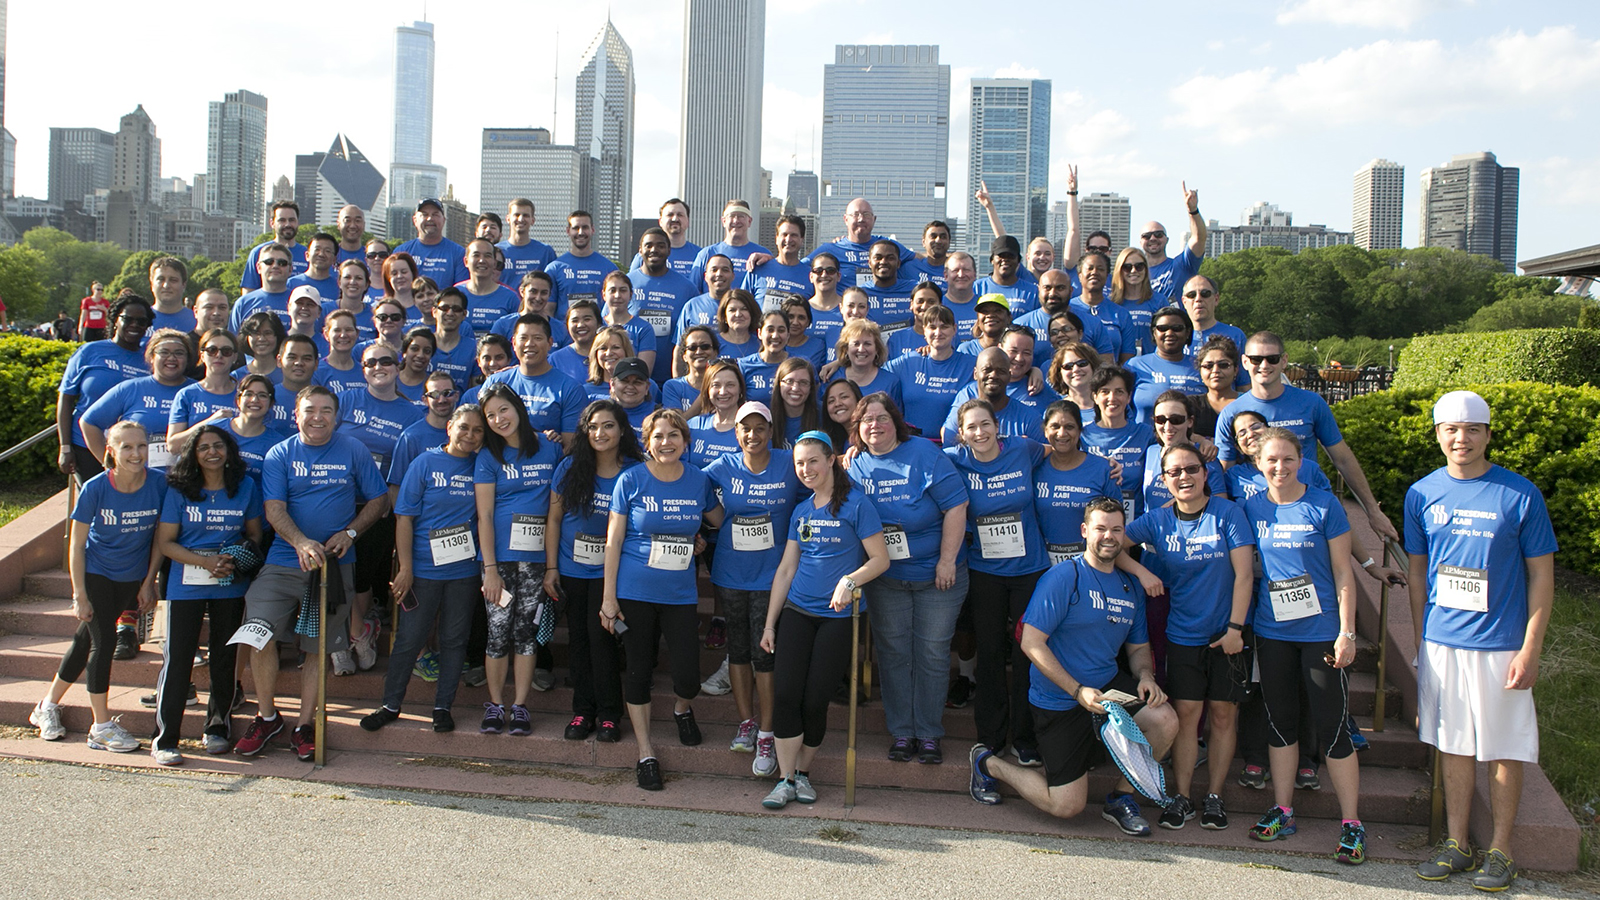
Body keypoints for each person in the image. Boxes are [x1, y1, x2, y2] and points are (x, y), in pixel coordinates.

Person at [1407, 391, 1557, 891]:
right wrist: (1421, 645)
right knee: (1452, 745)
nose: (1461, 438)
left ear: (1488, 434)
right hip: (1443, 643)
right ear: (1437, 435)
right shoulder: (1422, 494)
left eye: (1472, 429)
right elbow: (1418, 574)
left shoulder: (1519, 494)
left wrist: (1531, 647)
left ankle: (1501, 850)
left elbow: (1541, 576)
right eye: (1451, 429)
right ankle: (1457, 844)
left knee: (1503, 749)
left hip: (1501, 645)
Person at [968, 497, 1178, 838]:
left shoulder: (1129, 586)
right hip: (1060, 699)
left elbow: (1138, 648)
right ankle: (987, 763)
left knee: (1164, 719)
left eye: (1116, 530)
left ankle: (1121, 798)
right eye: (1100, 529)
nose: (1108, 536)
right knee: (1066, 806)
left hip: (1106, 692)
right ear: (1084, 531)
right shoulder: (1063, 577)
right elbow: (1031, 643)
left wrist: (1145, 676)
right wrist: (1077, 691)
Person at [235, 387, 390, 760]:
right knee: (257, 634)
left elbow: (379, 499)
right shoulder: (280, 453)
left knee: (317, 646)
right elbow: (274, 509)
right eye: (310, 410)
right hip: (284, 561)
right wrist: (301, 542)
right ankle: (267, 715)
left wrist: (351, 532)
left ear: (336, 416)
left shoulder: (352, 449)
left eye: (326, 410)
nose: (317, 416)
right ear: (295, 414)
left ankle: (305, 724)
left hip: (334, 566)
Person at [1243, 428, 1365, 863]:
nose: (1279, 468)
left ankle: (1351, 823)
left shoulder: (1323, 504)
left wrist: (1346, 631)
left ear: (1301, 462)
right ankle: (1283, 809)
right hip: (1272, 632)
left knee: (1333, 726)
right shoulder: (1252, 507)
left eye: (1287, 460)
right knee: (1280, 723)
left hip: (1321, 634)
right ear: (1258, 464)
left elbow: (1343, 574)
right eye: (1271, 461)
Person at [1122, 442, 1254, 830]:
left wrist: (1234, 630)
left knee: (1223, 715)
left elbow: (1244, 575)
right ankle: (1181, 796)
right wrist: (1143, 572)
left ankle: (1213, 796)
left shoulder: (1228, 514)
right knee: (1186, 715)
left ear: (1205, 473)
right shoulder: (1157, 520)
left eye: (1191, 469)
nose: (1184, 477)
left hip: (1226, 635)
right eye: (1174, 472)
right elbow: (1112, 544)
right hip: (1183, 633)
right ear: (1164, 480)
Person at [758, 430, 889, 808]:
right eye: (799, 463)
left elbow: (880, 559)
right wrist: (770, 623)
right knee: (785, 694)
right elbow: (786, 569)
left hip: (838, 616)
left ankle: (803, 774)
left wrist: (850, 581)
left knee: (815, 699)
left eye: (813, 460)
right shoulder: (802, 511)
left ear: (831, 459)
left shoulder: (857, 505)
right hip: (798, 611)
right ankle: (783, 779)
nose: (806, 469)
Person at [601, 409, 724, 789]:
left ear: (686, 442)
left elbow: (717, 519)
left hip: (680, 593)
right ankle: (645, 751)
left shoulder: (698, 481)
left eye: (674, 435)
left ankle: (682, 709)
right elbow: (614, 541)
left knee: (687, 676)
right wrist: (608, 598)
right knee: (639, 669)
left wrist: (698, 537)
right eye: (658, 436)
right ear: (647, 442)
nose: (666, 442)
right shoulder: (631, 480)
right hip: (634, 589)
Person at [848, 393, 969, 763]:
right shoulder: (855, 465)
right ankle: (902, 732)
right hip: (886, 577)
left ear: (896, 422)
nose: (875, 425)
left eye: (882, 418)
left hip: (938, 575)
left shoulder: (924, 453)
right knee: (894, 654)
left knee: (932, 653)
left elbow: (955, 506)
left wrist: (947, 560)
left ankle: (929, 733)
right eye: (866, 420)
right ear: (857, 428)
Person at [29, 421, 162, 751]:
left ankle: (46, 706)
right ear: (111, 452)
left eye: (141, 446)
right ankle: (101, 727)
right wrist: (80, 594)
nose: (136, 453)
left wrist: (148, 583)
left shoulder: (160, 484)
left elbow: (160, 538)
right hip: (96, 575)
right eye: (127, 447)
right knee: (102, 646)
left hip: (130, 577)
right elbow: (76, 546)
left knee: (83, 641)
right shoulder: (96, 488)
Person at [360, 405, 487, 734]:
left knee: (454, 640)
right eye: (464, 428)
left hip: (464, 571)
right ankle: (390, 704)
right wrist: (405, 568)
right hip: (423, 571)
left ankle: (443, 706)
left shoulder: (483, 465)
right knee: (409, 639)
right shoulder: (425, 463)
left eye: (477, 431)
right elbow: (405, 518)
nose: (470, 436)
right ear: (449, 428)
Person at [1217, 331, 1399, 542]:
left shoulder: (1311, 403)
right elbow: (1226, 475)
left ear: (1284, 361)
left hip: (1309, 515)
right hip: (1259, 522)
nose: (1264, 365)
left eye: (1272, 359)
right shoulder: (1231, 414)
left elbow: (1342, 458)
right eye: (1257, 359)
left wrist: (1372, 510)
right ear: (1245, 362)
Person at [150, 426, 263, 763]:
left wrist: (233, 558)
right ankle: (166, 737)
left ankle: (217, 728)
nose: (212, 452)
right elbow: (166, 542)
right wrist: (205, 561)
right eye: (203, 448)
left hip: (230, 581)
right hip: (186, 582)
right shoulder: (179, 489)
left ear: (229, 450)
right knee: (179, 658)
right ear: (192, 454)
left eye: (218, 446)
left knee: (225, 658)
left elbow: (255, 534)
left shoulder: (245, 487)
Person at [947, 399, 1051, 766]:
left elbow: (1061, 453)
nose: (980, 432)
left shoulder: (1023, 448)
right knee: (990, 656)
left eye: (985, 424)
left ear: (997, 426)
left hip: (1031, 571)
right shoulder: (955, 460)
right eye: (971, 427)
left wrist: (1109, 466)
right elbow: (915, 456)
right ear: (961, 434)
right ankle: (991, 738)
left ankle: (1026, 739)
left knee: (1028, 656)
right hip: (986, 572)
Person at [703, 402, 801, 776]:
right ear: (736, 433)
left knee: (766, 652)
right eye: (746, 429)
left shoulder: (787, 463)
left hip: (772, 576)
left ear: (770, 431)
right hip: (731, 571)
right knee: (739, 651)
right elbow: (690, 484)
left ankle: (768, 730)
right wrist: (710, 520)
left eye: (760, 428)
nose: (752, 435)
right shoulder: (722, 467)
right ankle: (747, 722)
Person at [546, 399, 641, 742]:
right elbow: (554, 519)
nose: (600, 433)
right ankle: (582, 711)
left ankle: (609, 714)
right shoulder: (570, 467)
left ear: (621, 430)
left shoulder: (635, 470)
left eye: (608, 426)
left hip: (613, 573)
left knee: (603, 639)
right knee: (580, 640)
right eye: (593, 426)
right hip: (573, 569)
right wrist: (552, 566)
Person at [471, 385, 564, 734]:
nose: (498, 420)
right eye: (490, 416)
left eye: (503, 410)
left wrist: (552, 566)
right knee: (497, 633)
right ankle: (495, 705)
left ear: (519, 408)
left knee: (526, 632)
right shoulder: (488, 457)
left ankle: (520, 706)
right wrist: (490, 569)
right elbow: (484, 515)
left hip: (537, 560)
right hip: (499, 561)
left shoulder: (550, 449)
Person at [57, 296, 152, 480]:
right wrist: (65, 447)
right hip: (85, 446)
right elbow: (66, 399)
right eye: (128, 319)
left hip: (132, 450)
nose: (134, 325)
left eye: (141, 321)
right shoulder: (89, 352)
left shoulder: (150, 359)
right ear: (116, 319)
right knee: (96, 503)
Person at [80, 329, 195, 474]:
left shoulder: (197, 391)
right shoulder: (131, 388)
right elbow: (89, 422)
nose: (171, 358)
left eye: (179, 353)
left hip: (186, 480)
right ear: (152, 357)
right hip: (139, 481)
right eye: (164, 352)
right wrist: (112, 466)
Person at [1033, 400, 1122, 566]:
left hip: (1093, 565)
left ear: (1080, 431)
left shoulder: (1103, 469)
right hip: (1043, 566)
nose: (1062, 433)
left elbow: (1118, 526)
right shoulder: (1034, 467)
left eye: (1069, 427)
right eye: (1055, 426)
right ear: (1045, 431)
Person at [1080, 366, 1155, 521]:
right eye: (1105, 391)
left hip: (1135, 527)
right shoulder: (1082, 436)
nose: (1112, 398)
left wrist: (1201, 441)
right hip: (1095, 526)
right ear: (1094, 396)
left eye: (1119, 392)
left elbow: (1176, 438)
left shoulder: (1146, 433)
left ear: (1129, 397)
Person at [629, 227, 698, 382]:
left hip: (672, 374)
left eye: (660, 246)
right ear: (640, 250)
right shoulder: (626, 284)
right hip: (633, 377)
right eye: (648, 246)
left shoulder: (687, 287)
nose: (654, 250)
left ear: (669, 251)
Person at [168, 329, 242, 451]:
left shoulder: (244, 396)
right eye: (212, 350)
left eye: (226, 351)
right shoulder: (186, 395)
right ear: (202, 355)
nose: (219, 355)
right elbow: (173, 446)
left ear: (234, 357)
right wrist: (210, 422)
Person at [1126, 307, 1203, 424]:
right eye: (1162, 328)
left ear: (1187, 332)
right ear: (1154, 333)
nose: (1170, 333)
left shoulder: (1201, 366)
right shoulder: (1135, 365)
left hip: (1192, 439)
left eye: (1177, 328)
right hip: (1143, 439)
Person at [1140, 184, 1207, 305]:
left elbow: (1199, 238)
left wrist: (1193, 211)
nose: (1153, 238)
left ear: (1167, 239)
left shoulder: (1181, 265)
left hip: (1179, 323)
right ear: (1140, 242)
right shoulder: (1133, 273)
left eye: (1158, 234)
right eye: (1147, 236)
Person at [547, 210, 619, 318]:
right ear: (568, 231)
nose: (580, 232)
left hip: (599, 332)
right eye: (575, 228)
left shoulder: (609, 268)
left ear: (592, 230)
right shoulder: (554, 268)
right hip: (565, 332)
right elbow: (548, 309)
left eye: (585, 227)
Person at [689, 200, 771, 291]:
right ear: (723, 221)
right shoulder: (706, 254)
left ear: (749, 221)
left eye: (741, 216)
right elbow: (692, 290)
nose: (736, 221)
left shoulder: (763, 255)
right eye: (731, 216)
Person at [220, 374, 287, 479]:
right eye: (248, 394)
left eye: (262, 395)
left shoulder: (277, 444)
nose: (255, 399)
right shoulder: (215, 430)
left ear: (271, 403)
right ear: (238, 400)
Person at [393, 198, 468, 289]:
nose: (430, 219)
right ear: (415, 220)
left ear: (443, 220)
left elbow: (461, 290)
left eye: (435, 214)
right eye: (424, 215)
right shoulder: (401, 252)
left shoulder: (458, 253)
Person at [742, 215, 812, 309]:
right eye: (784, 234)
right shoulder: (757, 269)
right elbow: (741, 303)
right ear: (776, 239)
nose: (788, 239)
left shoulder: (811, 276)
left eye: (794, 235)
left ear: (801, 240)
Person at [458, 237, 520, 335]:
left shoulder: (510, 297)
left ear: (494, 263)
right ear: (466, 261)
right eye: (476, 255)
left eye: (487, 256)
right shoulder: (456, 293)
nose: (482, 260)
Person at [240, 201, 308, 292]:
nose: (287, 224)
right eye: (282, 220)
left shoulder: (308, 255)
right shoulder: (259, 253)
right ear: (272, 223)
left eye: (291, 220)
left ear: (297, 222)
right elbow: (249, 292)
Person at [829, 319, 899, 404]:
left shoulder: (891, 382)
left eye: (867, 344)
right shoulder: (832, 378)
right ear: (846, 349)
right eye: (856, 344)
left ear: (877, 349)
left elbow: (896, 416)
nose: (861, 349)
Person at [628, 198, 700, 279]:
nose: (675, 219)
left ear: (688, 221)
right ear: (660, 222)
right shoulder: (645, 256)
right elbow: (631, 284)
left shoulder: (700, 255)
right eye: (670, 215)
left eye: (680, 215)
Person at [230, 244, 294, 332]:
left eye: (282, 263)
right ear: (258, 267)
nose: (275, 266)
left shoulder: (298, 301)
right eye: (269, 262)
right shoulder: (243, 303)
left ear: (290, 269)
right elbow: (233, 340)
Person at [497, 198, 558, 289]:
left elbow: (553, 287)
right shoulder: (496, 251)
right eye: (516, 215)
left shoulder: (545, 252)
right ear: (508, 219)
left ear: (532, 220)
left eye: (525, 215)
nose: (521, 219)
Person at [1111, 248, 1160, 357]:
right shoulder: (1111, 303)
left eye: (1139, 266)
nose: (1133, 271)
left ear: (1146, 269)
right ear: (1120, 270)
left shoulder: (1158, 301)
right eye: (1127, 267)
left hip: (1149, 366)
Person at [1192, 335, 1241, 440]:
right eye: (1208, 366)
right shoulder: (1190, 405)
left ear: (1236, 370)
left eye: (1223, 365)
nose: (1215, 371)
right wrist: (1200, 440)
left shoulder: (1247, 403)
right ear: (1200, 371)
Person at [738, 309, 791, 405]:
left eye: (781, 330)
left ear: (788, 335)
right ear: (759, 333)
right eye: (770, 330)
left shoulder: (799, 365)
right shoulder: (744, 365)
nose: (775, 336)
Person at [662, 325, 721, 411]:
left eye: (705, 346)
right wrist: (705, 394)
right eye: (692, 348)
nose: (699, 352)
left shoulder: (724, 386)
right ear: (684, 356)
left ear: (715, 353)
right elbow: (676, 423)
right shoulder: (673, 386)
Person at [767, 357, 821, 448]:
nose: (795, 388)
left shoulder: (823, 413)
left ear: (810, 387)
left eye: (803, 382)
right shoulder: (767, 418)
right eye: (789, 381)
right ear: (779, 384)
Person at [1047, 342, 1100, 425]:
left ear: (1093, 366)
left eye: (1082, 363)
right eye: (1068, 366)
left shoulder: (1110, 404)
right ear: (1059, 373)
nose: (1076, 369)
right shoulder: (1054, 410)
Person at [550, 299, 603, 384]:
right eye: (575, 320)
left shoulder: (608, 356)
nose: (581, 325)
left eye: (587, 319)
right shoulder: (556, 359)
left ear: (599, 324)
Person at [805, 253, 847, 357]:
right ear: (811, 277)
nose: (824, 275)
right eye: (818, 271)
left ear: (838, 276)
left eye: (830, 271)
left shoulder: (849, 310)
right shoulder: (802, 309)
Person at [288, 232, 340, 304]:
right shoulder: (291, 284)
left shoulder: (339, 287)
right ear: (307, 255)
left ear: (334, 259)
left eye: (327, 251)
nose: (321, 254)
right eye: (317, 249)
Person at [779, 297, 827, 371]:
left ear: (808, 322)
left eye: (801, 318)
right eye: (790, 317)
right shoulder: (775, 344)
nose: (795, 322)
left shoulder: (818, 346)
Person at [715, 289, 762, 360]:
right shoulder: (714, 343)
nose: (738, 314)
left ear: (752, 313)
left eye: (744, 309)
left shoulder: (761, 344)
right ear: (724, 316)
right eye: (732, 310)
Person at [394, 327, 437, 402]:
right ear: (404, 352)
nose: (420, 355)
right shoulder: (390, 381)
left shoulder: (434, 386)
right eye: (415, 349)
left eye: (427, 351)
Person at [821, 379, 862, 451]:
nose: (837, 404)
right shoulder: (837, 442)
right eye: (831, 401)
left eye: (844, 397)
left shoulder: (870, 434)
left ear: (857, 399)